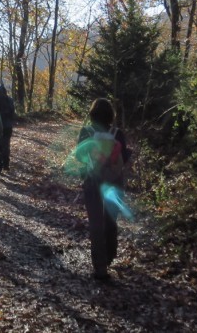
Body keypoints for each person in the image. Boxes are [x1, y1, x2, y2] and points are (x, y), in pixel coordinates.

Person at [73, 97, 131, 281]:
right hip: (114, 181)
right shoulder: (117, 133)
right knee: (111, 220)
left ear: (92, 114)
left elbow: (79, 155)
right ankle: (110, 256)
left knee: (96, 223)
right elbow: (124, 158)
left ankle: (100, 267)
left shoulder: (86, 132)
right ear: (110, 115)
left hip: (92, 180)